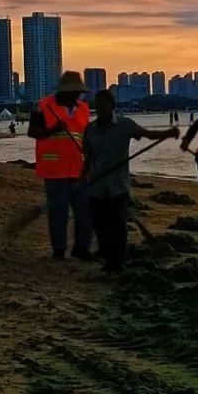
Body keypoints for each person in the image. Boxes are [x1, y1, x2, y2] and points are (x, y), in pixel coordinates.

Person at [83, 90, 179, 273]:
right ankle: (109, 258)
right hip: (95, 186)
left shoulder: (125, 125)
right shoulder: (90, 129)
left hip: (117, 186)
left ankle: (117, 261)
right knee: (100, 225)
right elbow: (88, 156)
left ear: (111, 106)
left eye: (103, 104)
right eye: (97, 104)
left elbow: (147, 134)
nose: (99, 108)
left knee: (118, 226)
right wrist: (82, 178)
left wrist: (168, 132)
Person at [28, 71, 93, 261]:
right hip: (54, 169)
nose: (76, 96)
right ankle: (59, 249)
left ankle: (81, 248)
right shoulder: (43, 106)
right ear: (65, 91)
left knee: (84, 211)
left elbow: (86, 136)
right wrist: (51, 130)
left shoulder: (83, 109)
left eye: (78, 93)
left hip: (79, 168)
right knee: (59, 212)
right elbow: (33, 132)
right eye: (73, 92)